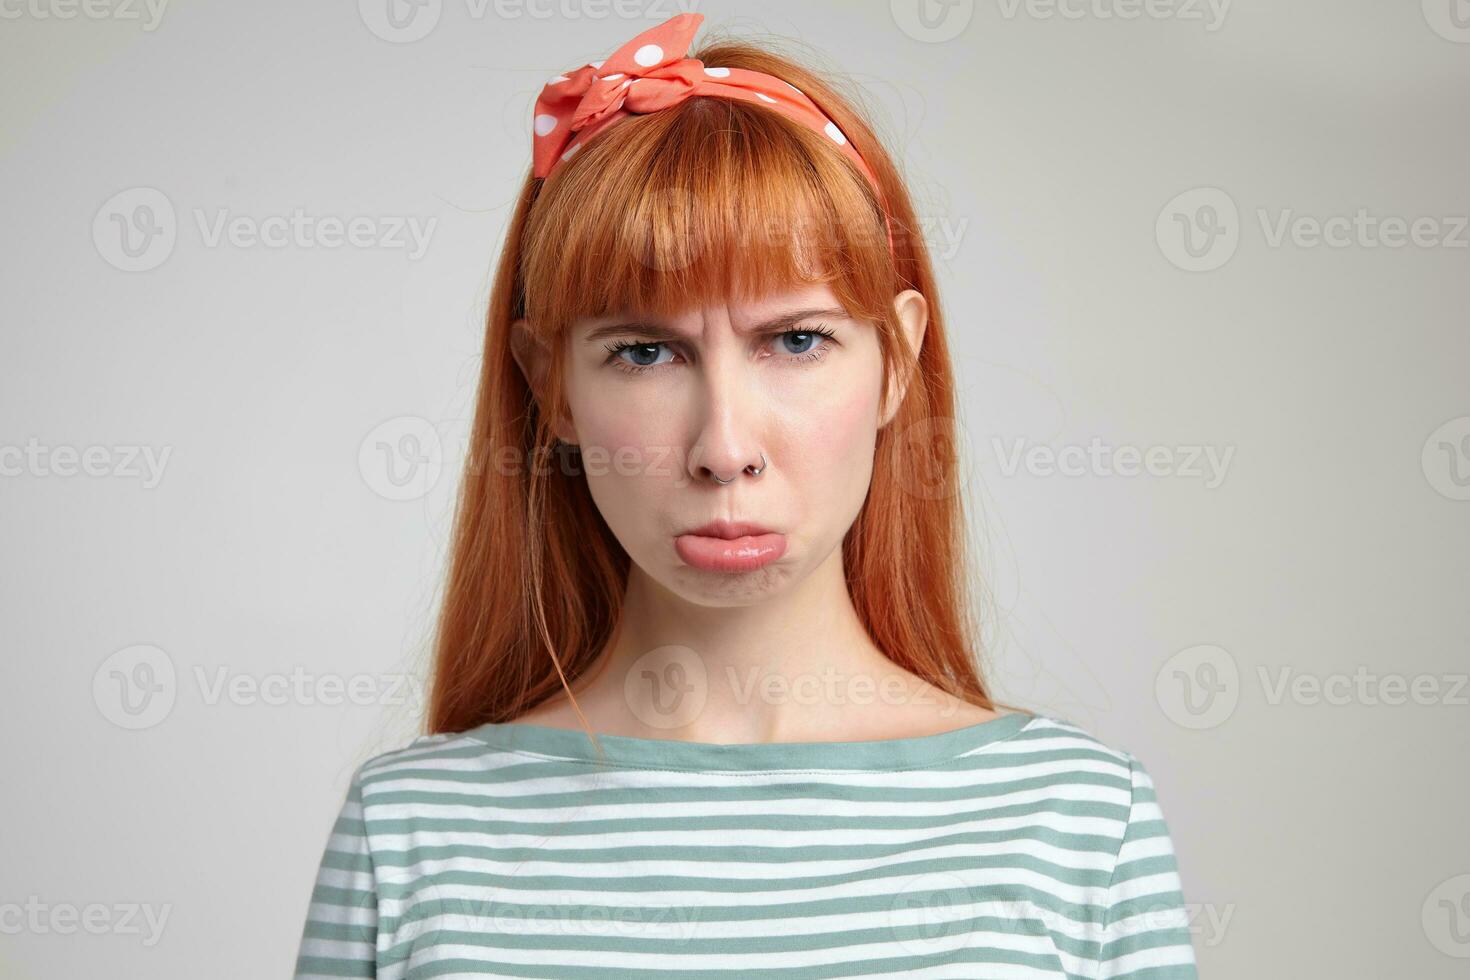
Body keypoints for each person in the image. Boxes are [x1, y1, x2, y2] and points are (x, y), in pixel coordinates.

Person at [292, 13, 1198, 978]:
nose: (724, 448)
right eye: (644, 352)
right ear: (550, 384)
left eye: (797, 341)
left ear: (897, 360)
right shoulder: (410, 834)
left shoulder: (1079, 823)